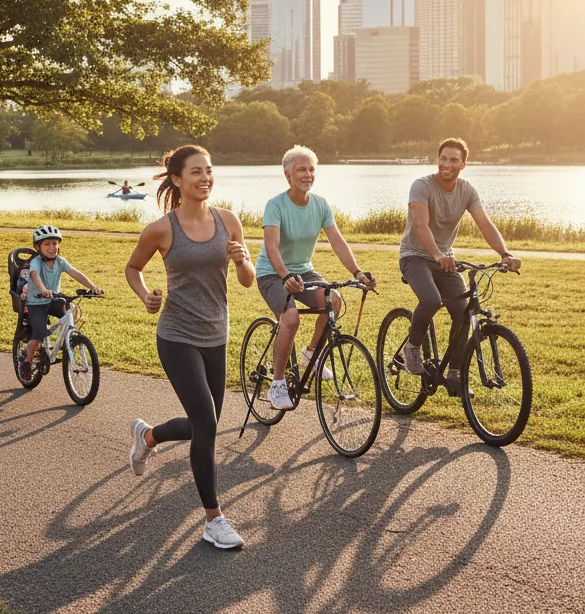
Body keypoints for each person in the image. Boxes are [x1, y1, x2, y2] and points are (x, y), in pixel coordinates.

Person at [124, 144, 255, 551]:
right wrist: (145, 296)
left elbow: (247, 280)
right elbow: (133, 267)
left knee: (204, 423)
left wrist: (242, 260)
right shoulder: (162, 229)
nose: (205, 178)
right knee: (208, 425)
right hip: (177, 336)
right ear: (177, 179)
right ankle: (214, 520)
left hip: (217, 335)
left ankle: (148, 436)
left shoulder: (228, 220)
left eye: (208, 170)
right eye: (196, 171)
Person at [254, 145, 375, 411]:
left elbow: (337, 241)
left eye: (311, 169)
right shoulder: (276, 205)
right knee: (291, 319)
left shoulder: (320, 204)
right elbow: (272, 247)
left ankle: (311, 353)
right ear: (288, 175)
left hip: (303, 271)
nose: (307, 174)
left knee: (334, 300)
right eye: (301, 170)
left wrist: (357, 272)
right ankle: (277, 383)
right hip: (272, 273)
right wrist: (285, 275)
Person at [399, 137, 521, 392]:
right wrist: (437, 255)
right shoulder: (422, 186)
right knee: (431, 300)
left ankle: (455, 373)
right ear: (437, 160)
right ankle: (412, 347)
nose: (447, 164)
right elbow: (420, 225)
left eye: (454, 160)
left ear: (463, 165)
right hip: (415, 256)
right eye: (443, 158)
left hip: (445, 258)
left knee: (463, 311)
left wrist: (505, 253)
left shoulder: (467, 191)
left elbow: (484, 224)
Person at [17, 224, 104, 381]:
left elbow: (75, 273)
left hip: (53, 299)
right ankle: (27, 361)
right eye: (47, 244)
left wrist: (93, 287)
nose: (52, 247)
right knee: (39, 333)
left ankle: (68, 340)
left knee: (70, 314)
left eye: (55, 243)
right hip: (36, 302)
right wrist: (43, 290)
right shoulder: (36, 262)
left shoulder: (60, 261)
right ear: (38, 247)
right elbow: (35, 276)